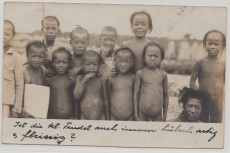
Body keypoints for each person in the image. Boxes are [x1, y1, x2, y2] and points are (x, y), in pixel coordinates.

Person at [189, 30, 226, 123]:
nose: (212, 47)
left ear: (222, 46)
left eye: (216, 44)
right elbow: (192, 82)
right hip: (203, 102)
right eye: (210, 43)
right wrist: (199, 95)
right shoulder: (200, 63)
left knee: (217, 125)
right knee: (202, 124)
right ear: (205, 44)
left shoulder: (224, 65)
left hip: (218, 102)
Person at [134, 42, 169, 121]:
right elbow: (136, 94)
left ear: (161, 58)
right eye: (150, 56)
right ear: (144, 57)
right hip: (142, 114)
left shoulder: (163, 75)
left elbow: (166, 95)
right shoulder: (140, 73)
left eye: (156, 56)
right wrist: (136, 115)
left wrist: (165, 114)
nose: (153, 59)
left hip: (158, 114)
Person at [74, 51, 109, 120]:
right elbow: (76, 96)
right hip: (84, 117)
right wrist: (84, 80)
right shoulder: (80, 78)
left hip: (101, 117)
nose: (91, 67)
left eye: (95, 64)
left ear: (99, 65)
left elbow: (106, 100)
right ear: (82, 65)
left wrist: (108, 119)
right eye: (88, 64)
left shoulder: (101, 80)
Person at [45, 47, 76, 119]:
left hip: (70, 117)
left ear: (69, 63)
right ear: (52, 63)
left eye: (64, 62)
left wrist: (76, 116)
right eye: (57, 62)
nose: (61, 65)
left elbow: (75, 101)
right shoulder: (48, 79)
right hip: (52, 117)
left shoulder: (71, 79)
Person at [3, 20, 24, 118]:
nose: (3, 37)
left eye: (7, 34)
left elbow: (19, 84)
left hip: (5, 103)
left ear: (13, 35)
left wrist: (17, 108)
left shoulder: (16, 57)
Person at [21, 41, 47, 118]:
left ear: (44, 57)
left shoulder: (44, 70)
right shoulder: (23, 71)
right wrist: (21, 109)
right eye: (33, 56)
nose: (37, 59)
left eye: (40, 56)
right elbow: (18, 92)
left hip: (40, 110)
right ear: (27, 55)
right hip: (25, 110)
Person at [107, 47, 135, 121]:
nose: (123, 64)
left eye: (127, 61)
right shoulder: (111, 79)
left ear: (132, 62)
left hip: (130, 117)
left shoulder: (134, 78)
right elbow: (106, 98)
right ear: (115, 61)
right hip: (113, 117)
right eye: (120, 61)